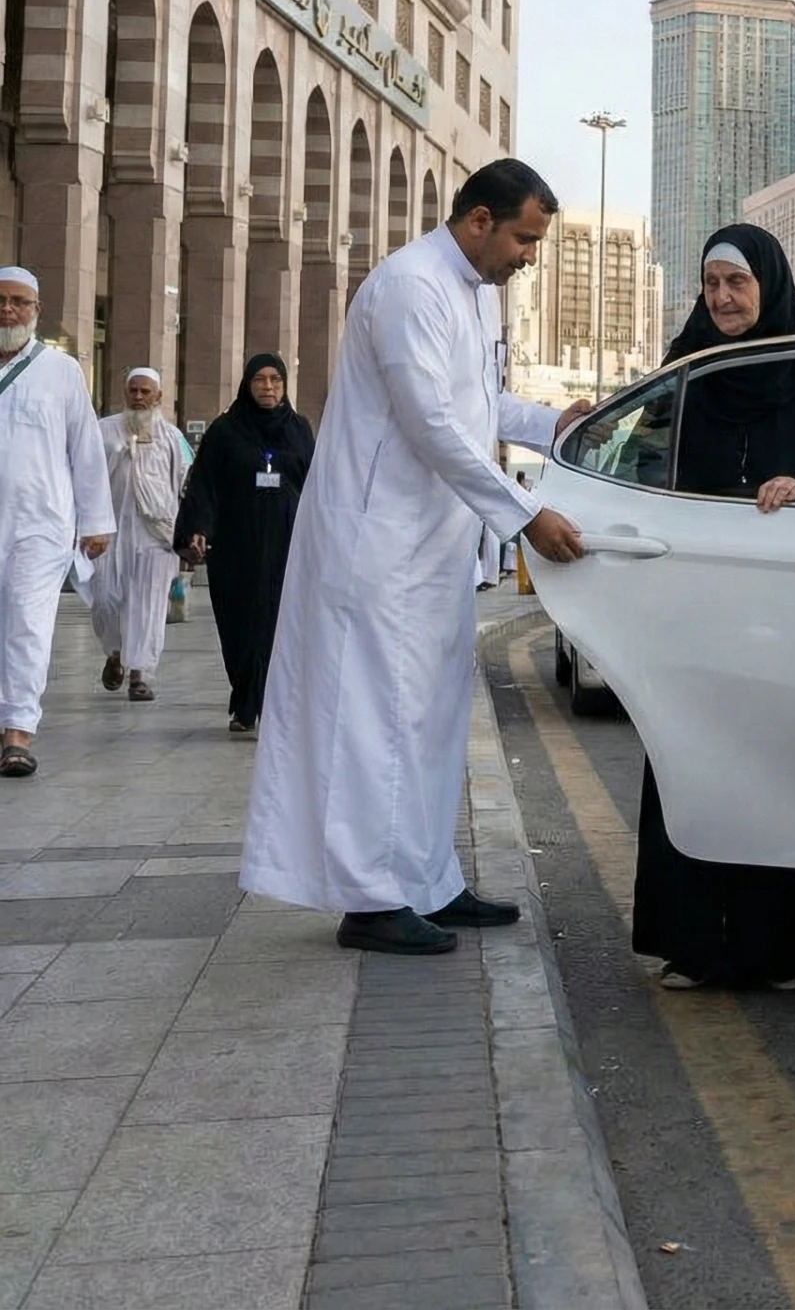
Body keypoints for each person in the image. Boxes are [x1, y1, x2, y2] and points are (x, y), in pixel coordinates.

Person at [239, 159, 590, 957]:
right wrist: (526, 514)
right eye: (524, 239)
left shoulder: (470, 295)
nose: (529, 257)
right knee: (374, 722)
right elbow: (431, 422)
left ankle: (428, 880)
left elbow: (478, 403)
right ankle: (370, 899)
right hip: (377, 549)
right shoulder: (408, 287)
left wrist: (553, 422)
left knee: (429, 720)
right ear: (478, 222)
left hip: (431, 550)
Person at [633, 223, 795, 991]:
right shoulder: (689, 367)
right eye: (712, 284)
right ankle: (698, 945)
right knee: (695, 755)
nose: (723, 298)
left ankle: (791, 949)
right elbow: (641, 458)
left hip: (787, 609)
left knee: (784, 760)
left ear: (767, 284)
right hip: (701, 605)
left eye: (737, 283)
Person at [0, 267, 113, 778]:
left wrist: (95, 521)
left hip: (41, 525)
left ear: (36, 310)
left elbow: (85, 450)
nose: (8, 310)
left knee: (28, 622)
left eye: (19, 301)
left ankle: (18, 732)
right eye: (0, 301)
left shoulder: (61, 371)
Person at [173, 354, 314, 734]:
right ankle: (245, 691)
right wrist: (197, 528)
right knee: (239, 625)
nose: (267, 387)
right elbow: (203, 483)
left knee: (276, 624)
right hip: (237, 547)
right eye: (259, 380)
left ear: (284, 387)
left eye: (275, 381)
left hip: (287, 545)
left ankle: (260, 706)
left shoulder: (299, 429)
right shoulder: (225, 430)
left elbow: (318, 485)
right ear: (247, 385)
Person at [92, 367, 190, 703]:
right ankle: (115, 654)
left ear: (158, 396)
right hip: (110, 531)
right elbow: (87, 474)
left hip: (156, 535)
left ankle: (140, 674)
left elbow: (184, 482)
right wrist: (120, 450)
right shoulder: (104, 431)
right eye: (133, 390)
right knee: (105, 600)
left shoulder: (172, 437)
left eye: (145, 391)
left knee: (147, 605)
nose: (138, 397)